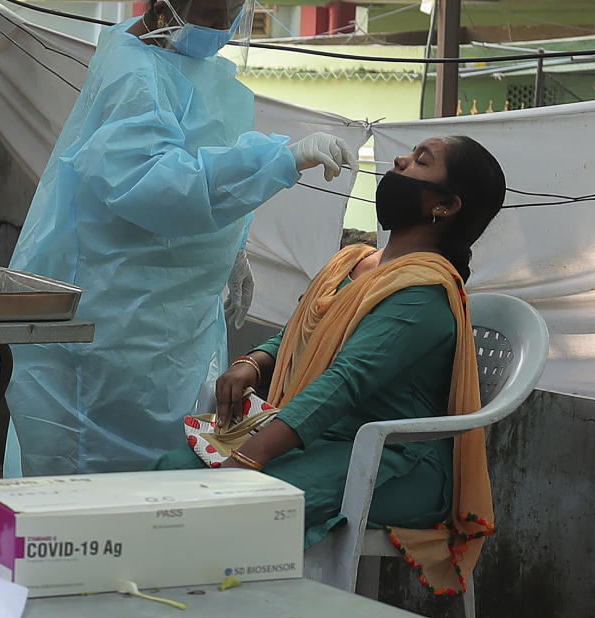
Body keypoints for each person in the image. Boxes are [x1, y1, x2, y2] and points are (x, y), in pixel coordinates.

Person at [4, 0, 357, 476]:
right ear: (164, 5)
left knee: (164, 482)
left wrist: (231, 250)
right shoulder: (134, 74)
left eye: (232, 15)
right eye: (212, 16)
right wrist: (278, 159)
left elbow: (197, 170)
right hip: (113, 312)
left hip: (169, 315)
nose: (223, 29)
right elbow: (157, 185)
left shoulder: (186, 66)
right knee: (92, 481)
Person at [156, 135, 506, 594]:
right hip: (321, 436)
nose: (400, 160)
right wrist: (255, 363)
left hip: (394, 459)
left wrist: (249, 457)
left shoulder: (423, 294)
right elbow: (304, 327)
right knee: (173, 470)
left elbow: (344, 385)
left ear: (445, 205)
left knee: (236, 506)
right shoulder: (358, 261)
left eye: (420, 161)